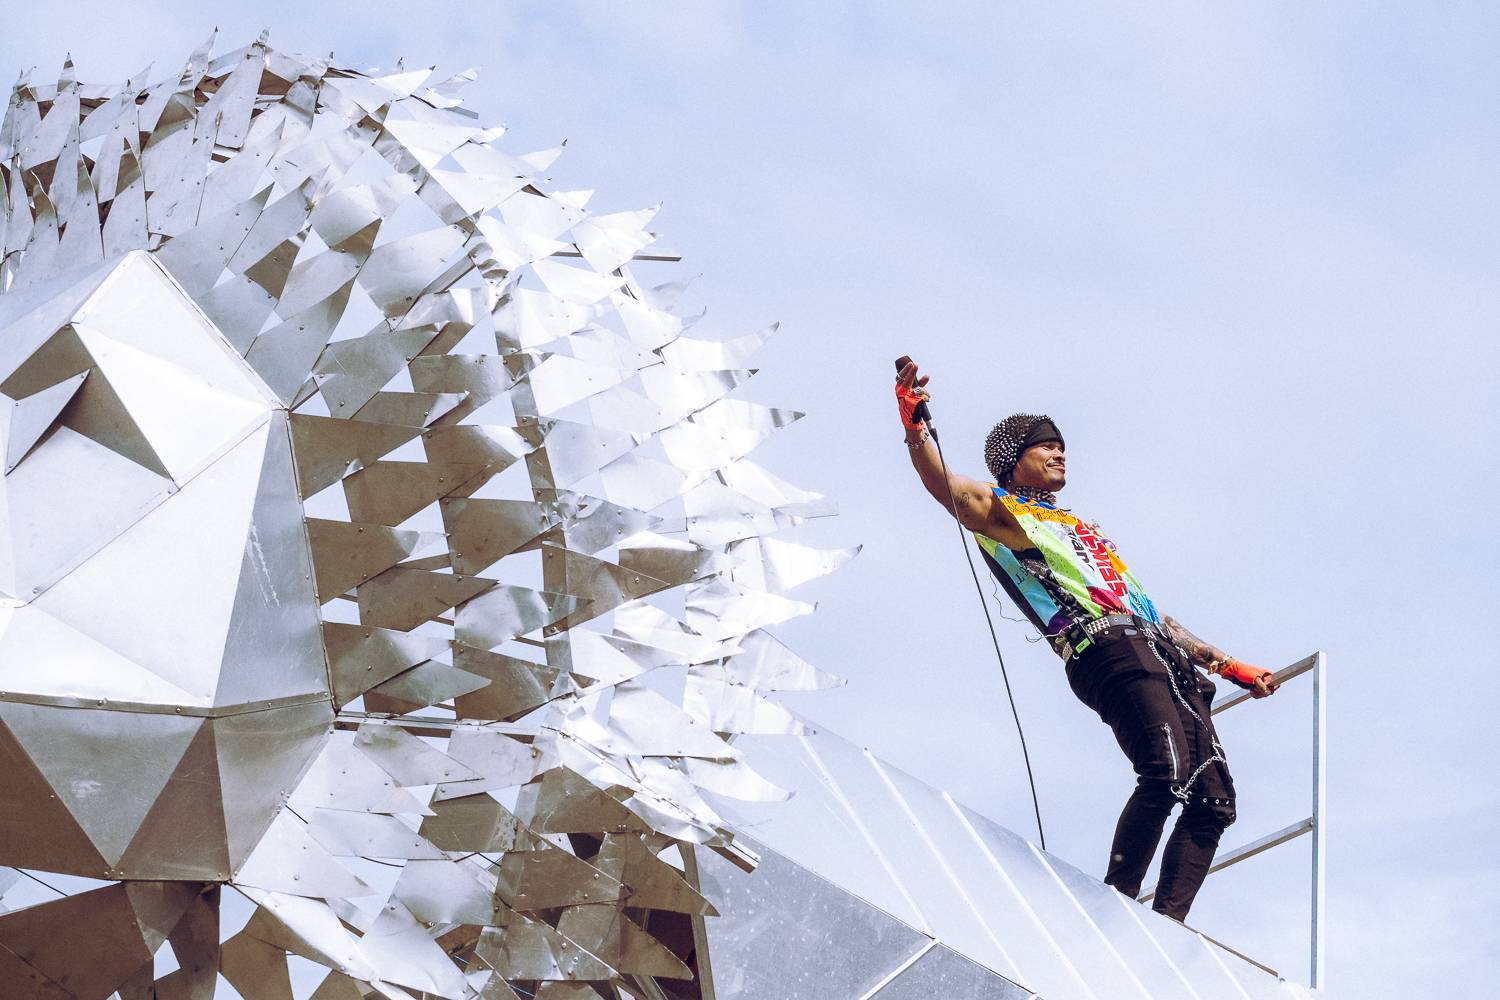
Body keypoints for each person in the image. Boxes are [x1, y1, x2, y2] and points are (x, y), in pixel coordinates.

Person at [893, 358, 1278, 922]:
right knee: (1164, 771)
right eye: (1045, 447)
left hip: (1159, 651)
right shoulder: (1006, 514)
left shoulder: (1081, 530)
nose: (1060, 454)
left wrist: (1225, 663)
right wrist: (916, 427)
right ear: (1015, 460)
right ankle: (1114, 908)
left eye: (1062, 447)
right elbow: (945, 486)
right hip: (1106, 648)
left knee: (1215, 800)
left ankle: (1165, 927)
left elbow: (1152, 613)